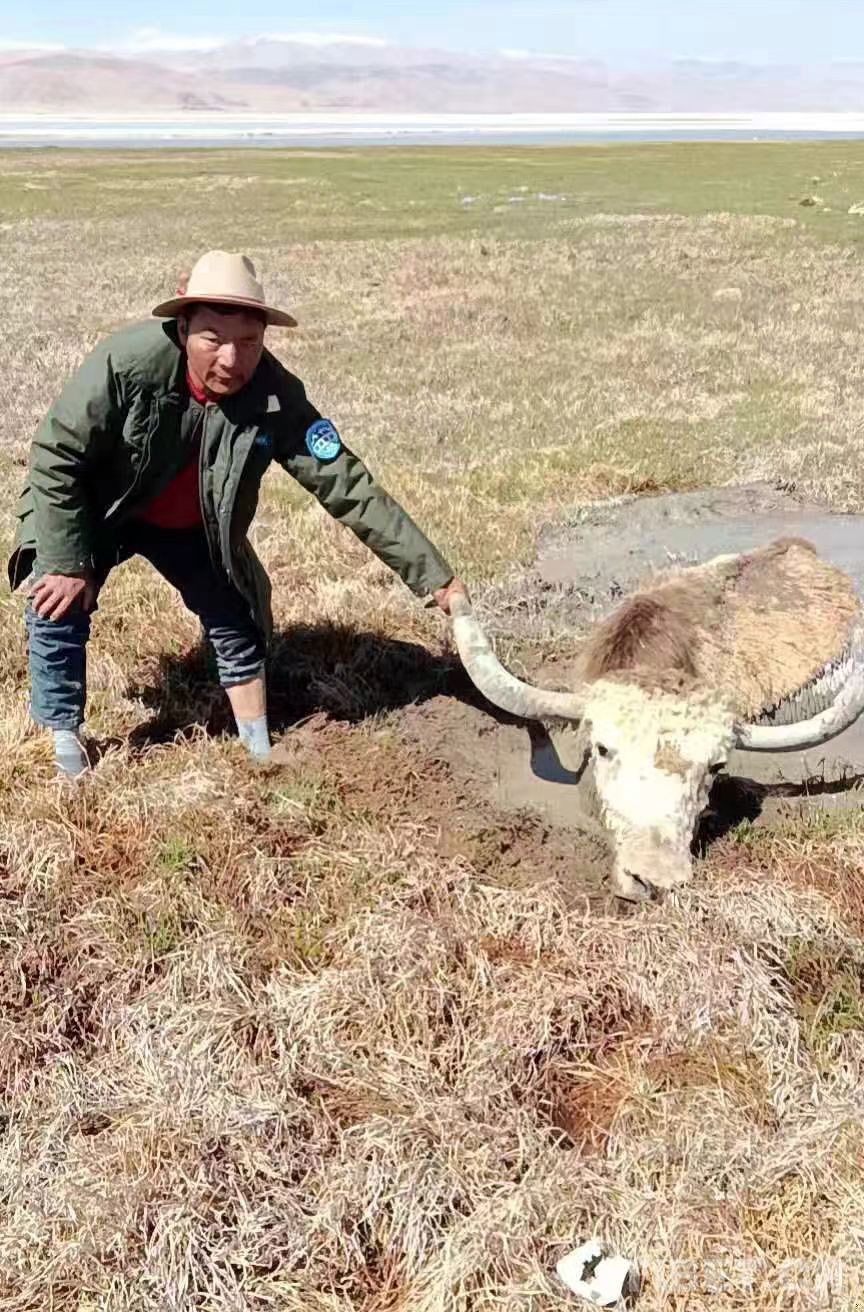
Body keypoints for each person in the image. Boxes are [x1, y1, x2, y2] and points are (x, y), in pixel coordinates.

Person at [9, 250, 466, 777]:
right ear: (183, 329)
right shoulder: (127, 362)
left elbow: (347, 485)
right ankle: (64, 741)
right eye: (213, 338)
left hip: (191, 525)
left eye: (249, 341)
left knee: (238, 621)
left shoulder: (275, 395)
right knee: (58, 595)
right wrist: (67, 561)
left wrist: (435, 577)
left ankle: (257, 749)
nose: (231, 359)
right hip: (101, 508)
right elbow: (57, 454)